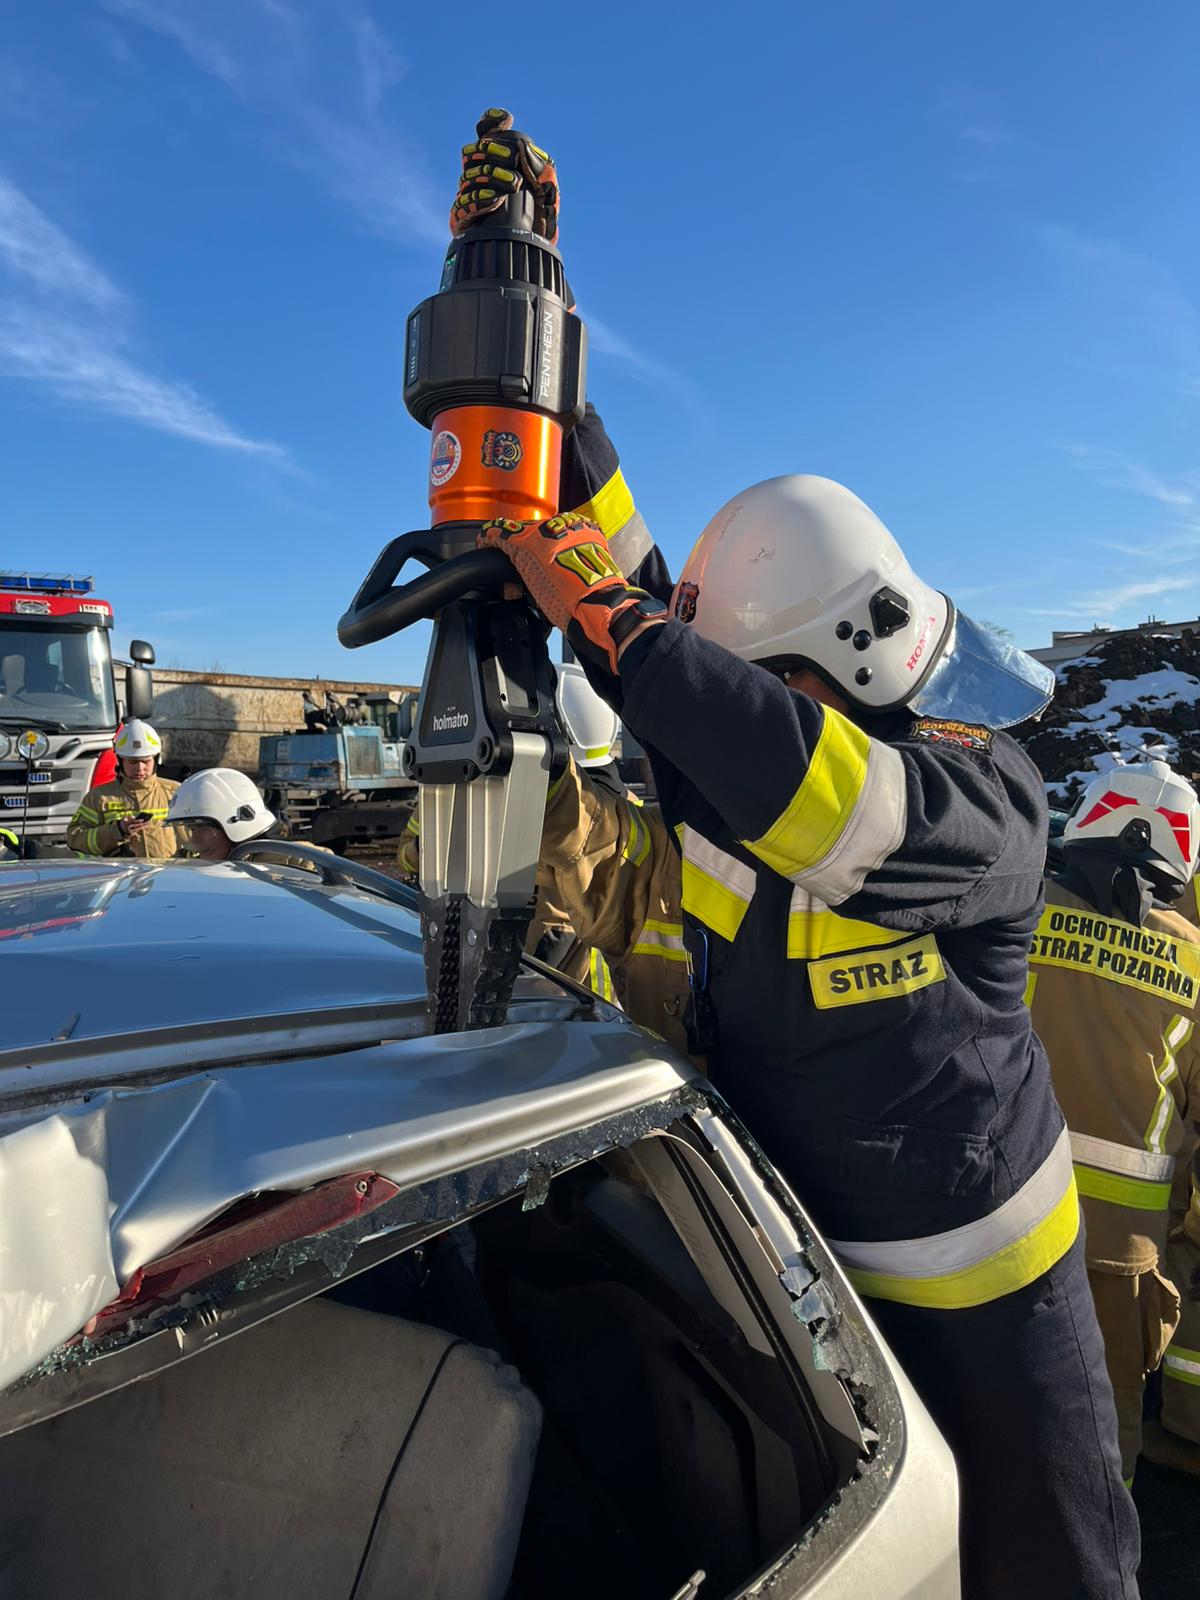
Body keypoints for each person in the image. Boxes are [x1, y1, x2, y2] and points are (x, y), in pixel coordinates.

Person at [448, 108, 1136, 1596]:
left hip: (993, 1296)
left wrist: (622, 636)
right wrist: (527, 322)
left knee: (1047, 1564)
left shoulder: (984, 801)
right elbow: (625, 568)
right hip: (807, 1261)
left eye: (750, 680)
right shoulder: (731, 750)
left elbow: (833, 810)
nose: (732, 701)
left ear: (832, 660)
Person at [1027, 760, 1200, 1484]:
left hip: (995, 1218)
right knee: (1103, 1443)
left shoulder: (1015, 908)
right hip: (1121, 1252)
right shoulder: (1194, 961)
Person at [66, 719, 181, 860]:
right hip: (121, 878)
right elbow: (75, 838)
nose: (139, 768)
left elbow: (194, 839)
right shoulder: (99, 798)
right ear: (120, 761)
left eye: (146, 761)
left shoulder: (175, 792)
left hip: (166, 876)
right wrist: (118, 830)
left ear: (156, 760)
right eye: (132, 762)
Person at [167, 768, 324, 871]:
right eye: (191, 829)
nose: (194, 837)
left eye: (201, 828)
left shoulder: (296, 861)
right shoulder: (185, 866)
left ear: (238, 826)